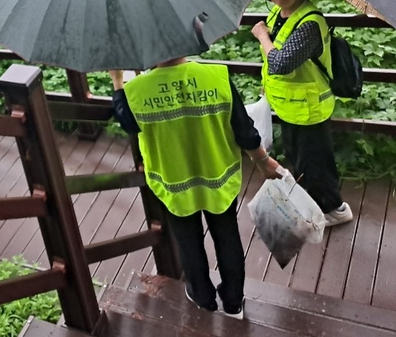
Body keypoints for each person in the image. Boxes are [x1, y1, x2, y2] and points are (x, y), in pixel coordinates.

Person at [111, 58, 282, 319]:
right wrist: (262, 161)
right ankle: (234, 302)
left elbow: (128, 123)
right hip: (219, 178)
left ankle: (202, 296)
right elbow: (244, 130)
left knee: (187, 240)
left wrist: (118, 81)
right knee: (227, 237)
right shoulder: (217, 76)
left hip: (174, 183)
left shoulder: (137, 90)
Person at [249, 0, 353, 227]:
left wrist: (262, 36)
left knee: (315, 162)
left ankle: (335, 209)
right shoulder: (280, 14)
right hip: (290, 105)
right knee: (299, 159)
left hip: (309, 107)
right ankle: (314, 204)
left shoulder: (309, 22)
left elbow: (281, 63)